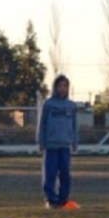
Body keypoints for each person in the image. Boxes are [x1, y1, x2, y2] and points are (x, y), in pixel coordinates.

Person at [38, 74, 80, 209]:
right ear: (55, 87)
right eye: (60, 86)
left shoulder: (71, 106)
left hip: (65, 145)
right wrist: (41, 141)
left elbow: (74, 125)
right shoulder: (48, 104)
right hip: (51, 145)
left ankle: (63, 199)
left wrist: (75, 142)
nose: (63, 89)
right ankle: (51, 199)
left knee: (65, 174)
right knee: (50, 173)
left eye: (65, 86)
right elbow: (42, 124)